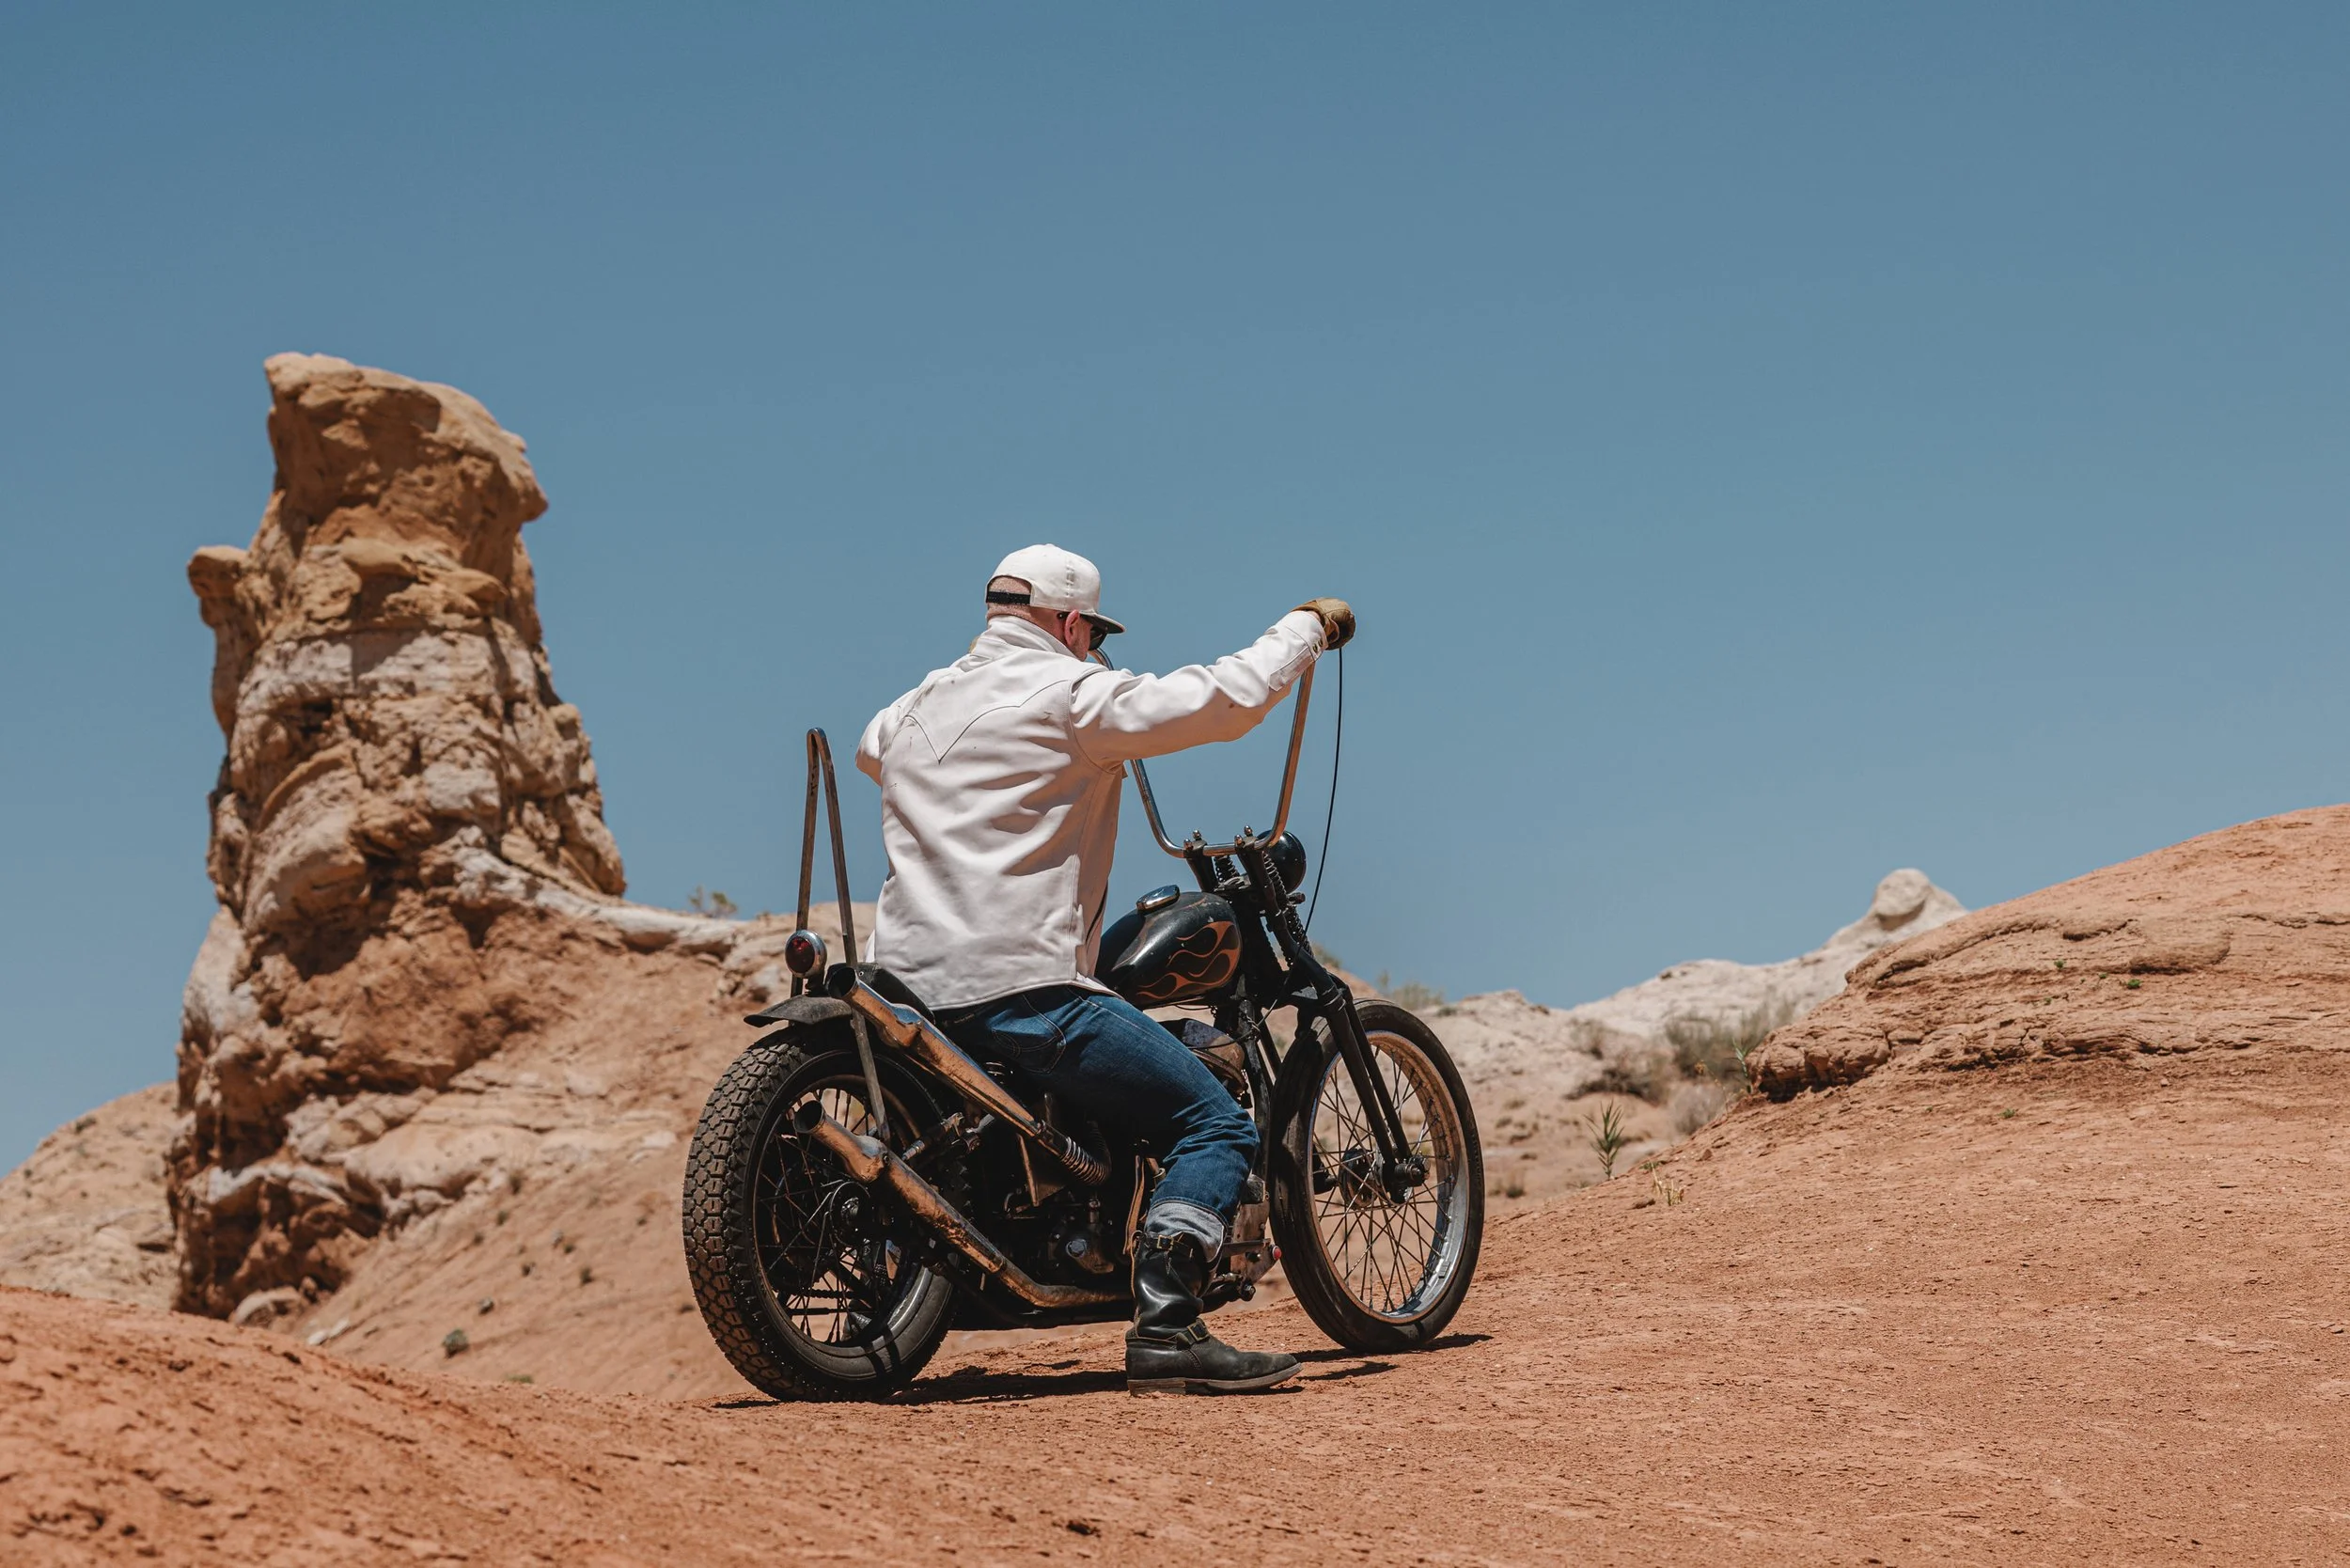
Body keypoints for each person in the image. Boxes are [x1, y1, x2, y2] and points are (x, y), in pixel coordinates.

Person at [855, 543, 1353, 1395]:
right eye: (1091, 635)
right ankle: (1167, 1326)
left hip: (902, 988)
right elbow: (1227, 699)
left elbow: (871, 753)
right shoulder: (1072, 696)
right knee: (1215, 1124)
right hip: (1024, 985)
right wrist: (1303, 631)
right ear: (1071, 622)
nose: (1092, 650)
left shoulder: (908, 711)